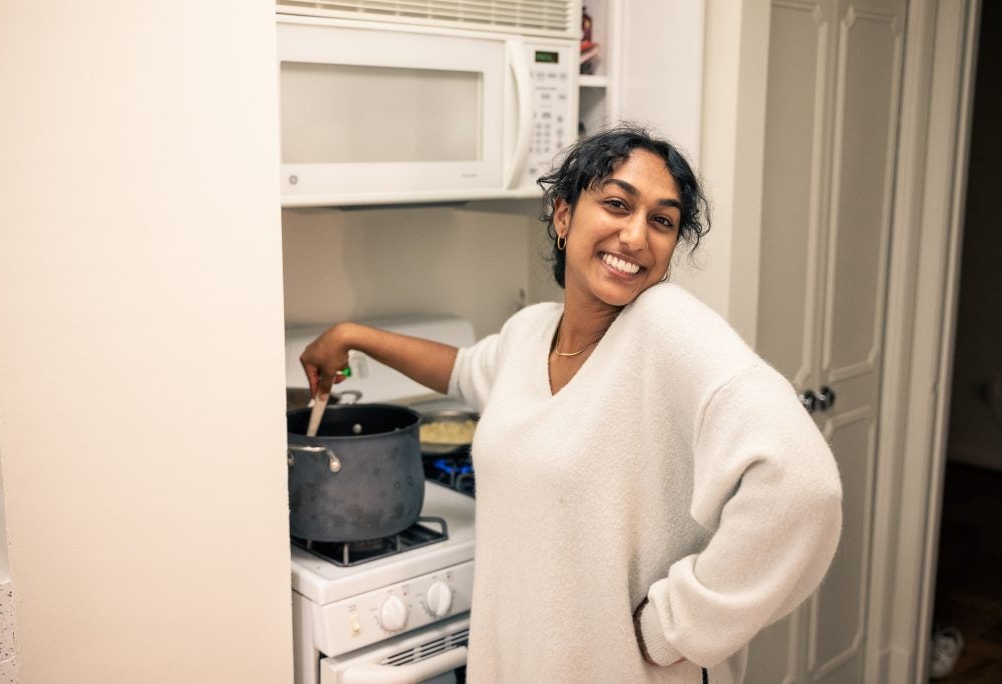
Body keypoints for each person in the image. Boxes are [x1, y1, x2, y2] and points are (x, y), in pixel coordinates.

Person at [300, 125, 842, 683]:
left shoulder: (667, 328)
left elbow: (803, 486)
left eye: (662, 221)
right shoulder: (532, 332)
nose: (635, 235)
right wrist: (352, 334)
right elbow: (462, 370)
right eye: (615, 204)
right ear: (563, 216)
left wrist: (677, 627)